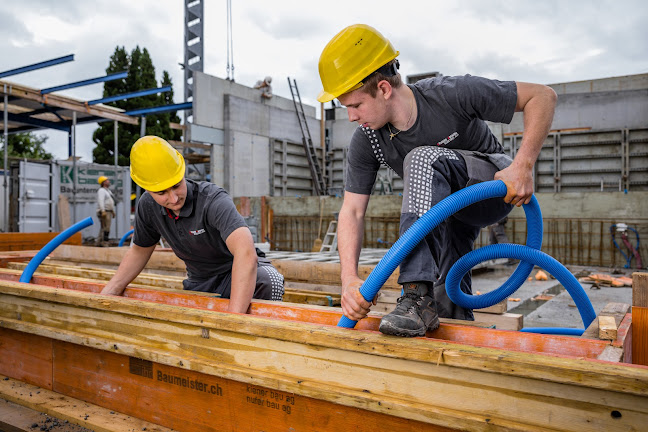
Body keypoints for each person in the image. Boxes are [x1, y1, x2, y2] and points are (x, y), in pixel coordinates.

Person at [317, 24, 556, 337]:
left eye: (356, 105)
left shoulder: (449, 93)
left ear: (384, 89)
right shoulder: (368, 140)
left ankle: (414, 295)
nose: (351, 117)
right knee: (445, 306)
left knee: (421, 157)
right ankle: (444, 331)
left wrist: (523, 166)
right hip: (443, 211)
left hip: (489, 188)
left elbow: (542, 96)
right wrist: (349, 279)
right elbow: (352, 211)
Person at [100, 136, 285, 313]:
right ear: (147, 188)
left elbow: (245, 253)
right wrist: (108, 294)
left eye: (176, 185)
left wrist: (233, 321)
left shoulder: (212, 200)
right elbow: (139, 251)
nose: (173, 198)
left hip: (237, 273)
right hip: (201, 281)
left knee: (272, 282)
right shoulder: (148, 206)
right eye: (161, 192)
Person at [96, 175, 115, 247]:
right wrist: (103, 210)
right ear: (103, 183)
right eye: (107, 181)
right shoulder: (101, 191)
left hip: (108, 211)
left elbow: (109, 201)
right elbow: (101, 201)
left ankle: (99, 242)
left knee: (105, 227)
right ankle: (103, 243)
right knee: (105, 228)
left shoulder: (107, 191)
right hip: (105, 211)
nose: (109, 182)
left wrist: (112, 211)